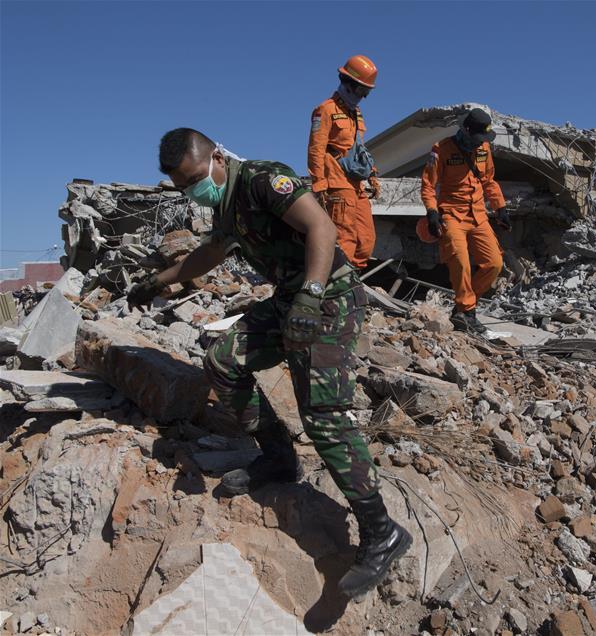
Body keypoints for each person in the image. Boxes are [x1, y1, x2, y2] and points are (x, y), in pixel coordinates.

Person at [127, 128, 411, 597]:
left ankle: (382, 533)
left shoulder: (262, 180)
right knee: (222, 358)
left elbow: (322, 227)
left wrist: (311, 295)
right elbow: (213, 251)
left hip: (330, 298)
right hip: (287, 300)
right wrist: (161, 280)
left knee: (322, 417)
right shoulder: (224, 204)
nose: (194, 190)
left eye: (197, 177)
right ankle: (278, 457)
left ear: (216, 155)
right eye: (184, 186)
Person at [420, 108, 511, 333]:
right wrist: (432, 212)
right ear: (466, 131)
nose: (480, 143)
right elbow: (428, 186)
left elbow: (489, 181)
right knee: (460, 261)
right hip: (452, 215)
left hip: (478, 215)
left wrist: (501, 208)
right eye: (477, 138)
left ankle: (465, 306)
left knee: (494, 264)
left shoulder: (484, 149)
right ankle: (466, 311)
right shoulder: (441, 150)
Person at [308, 55, 380, 270]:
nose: (363, 97)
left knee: (366, 241)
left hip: (356, 183)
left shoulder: (355, 113)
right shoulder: (326, 110)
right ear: (349, 84)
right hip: (337, 182)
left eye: (366, 92)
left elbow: (360, 148)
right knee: (344, 238)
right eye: (361, 91)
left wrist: (372, 174)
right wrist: (319, 184)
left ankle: (350, 278)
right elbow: (316, 149)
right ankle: (336, 287)